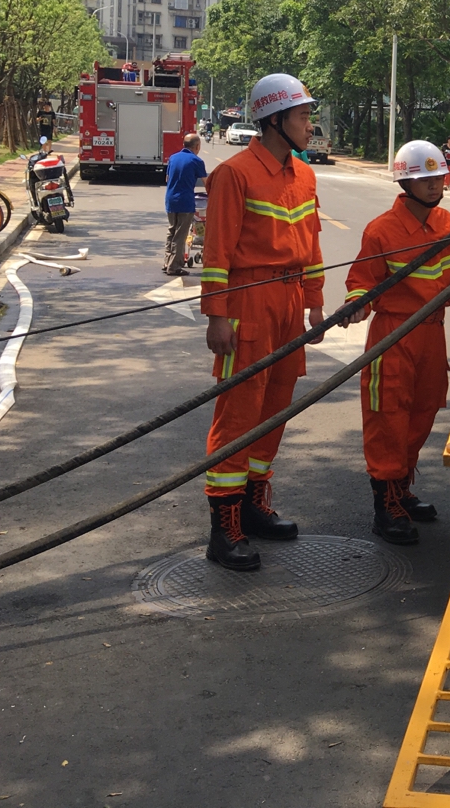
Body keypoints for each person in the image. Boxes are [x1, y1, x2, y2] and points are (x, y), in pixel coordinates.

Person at [200, 73, 325, 571]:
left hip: (291, 303)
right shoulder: (235, 173)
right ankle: (223, 528)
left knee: (275, 407)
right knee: (238, 415)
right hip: (249, 302)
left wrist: (315, 302)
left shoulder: (304, 175)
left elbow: (312, 244)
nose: (310, 125)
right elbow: (217, 252)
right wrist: (217, 315)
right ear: (274, 119)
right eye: (302, 116)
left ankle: (252, 506)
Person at [341, 140, 450, 544]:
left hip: (431, 334)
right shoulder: (381, 230)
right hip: (393, 335)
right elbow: (361, 281)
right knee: (389, 418)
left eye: (438, 176)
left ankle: (401, 491)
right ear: (405, 183)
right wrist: (357, 304)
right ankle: (385, 506)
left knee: (422, 412)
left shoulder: (446, 222)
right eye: (424, 178)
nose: (434, 184)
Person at [163, 133, 207, 275]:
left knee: (172, 230)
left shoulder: (173, 158)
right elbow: (207, 184)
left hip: (170, 199)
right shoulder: (196, 161)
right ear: (197, 146)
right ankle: (174, 267)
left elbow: (167, 178)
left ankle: (167, 262)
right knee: (181, 234)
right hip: (185, 201)